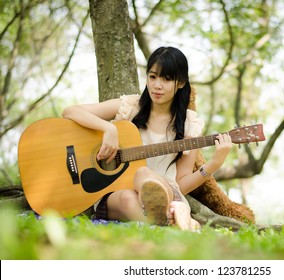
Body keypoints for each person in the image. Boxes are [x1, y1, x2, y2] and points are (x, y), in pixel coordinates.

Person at [62, 46, 233, 230]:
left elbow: (181, 183)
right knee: (128, 198)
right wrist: (108, 128)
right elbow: (70, 112)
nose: (157, 85)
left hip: (167, 191)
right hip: (118, 191)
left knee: (142, 174)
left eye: (166, 79)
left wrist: (213, 165)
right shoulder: (130, 106)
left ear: (181, 83)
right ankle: (176, 218)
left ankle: (170, 211)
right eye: (152, 77)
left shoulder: (189, 125)